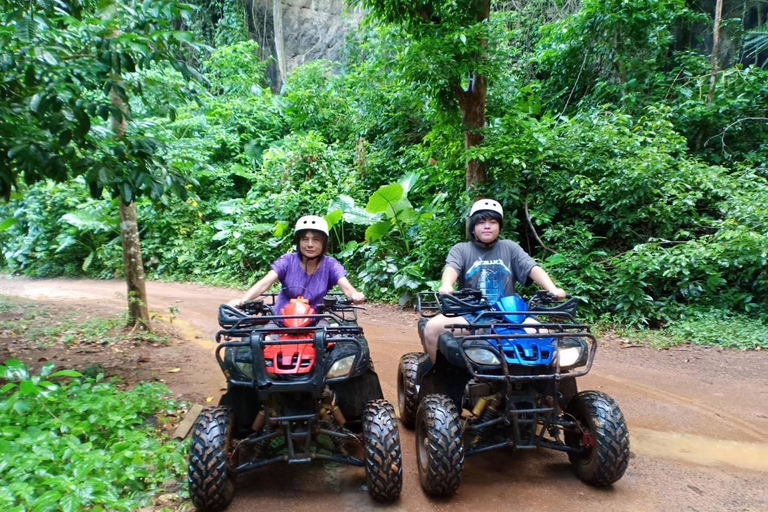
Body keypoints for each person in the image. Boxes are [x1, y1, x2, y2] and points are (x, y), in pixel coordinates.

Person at [423, 199, 566, 362]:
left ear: (499, 226)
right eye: (481, 222)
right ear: (473, 227)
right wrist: (447, 285)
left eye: (492, 222)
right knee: (432, 328)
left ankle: (541, 382)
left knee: (544, 336)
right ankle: (439, 379)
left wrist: (552, 288)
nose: (487, 226)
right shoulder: (462, 249)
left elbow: (531, 267)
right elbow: (452, 268)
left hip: (510, 315)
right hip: (471, 313)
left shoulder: (510, 247)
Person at [229, 215, 365, 313]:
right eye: (305, 239)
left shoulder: (330, 265)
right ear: (299, 242)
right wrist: (242, 301)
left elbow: (347, 288)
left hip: (315, 321)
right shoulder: (287, 261)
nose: (310, 244)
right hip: (281, 319)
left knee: (332, 346)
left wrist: (355, 295)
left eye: (316, 240)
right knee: (262, 344)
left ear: (324, 243)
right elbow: (265, 283)